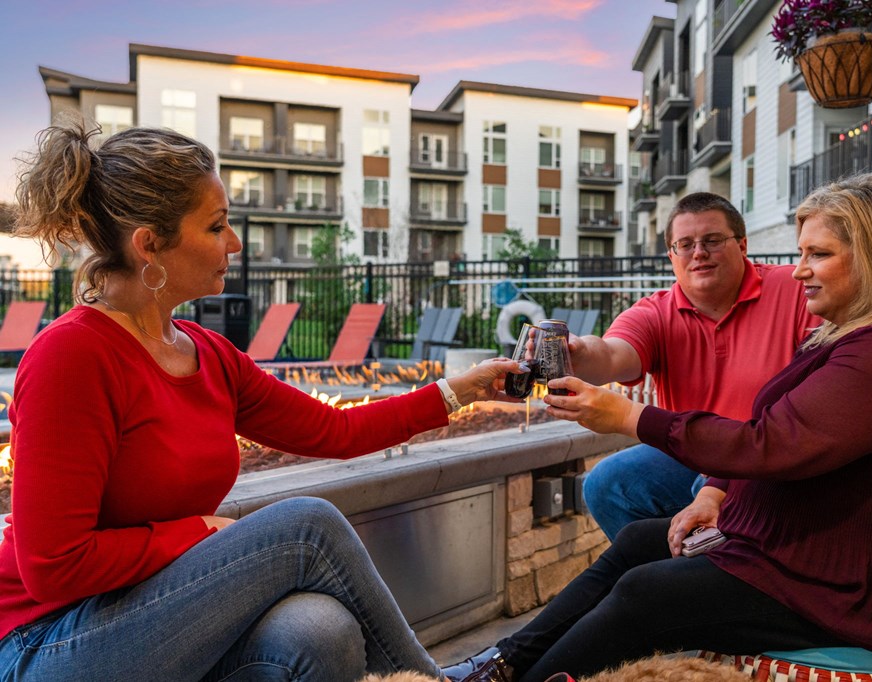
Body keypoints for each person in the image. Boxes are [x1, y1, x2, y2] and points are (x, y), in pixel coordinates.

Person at [0, 119, 525, 682]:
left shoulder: (210, 355)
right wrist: (198, 533)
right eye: (217, 226)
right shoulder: (73, 356)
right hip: (48, 640)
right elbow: (53, 567)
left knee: (322, 632)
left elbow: (334, 432)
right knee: (307, 522)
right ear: (149, 244)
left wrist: (458, 391)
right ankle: (436, 680)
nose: (235, 243)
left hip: (153, 613)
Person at [444, 175, 872, 682]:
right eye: (800, 254)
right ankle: (501, 664)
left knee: (647, 593)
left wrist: (630, 417)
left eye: (818, 255)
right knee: (638, 542)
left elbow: (774, 443)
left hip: (862, 589)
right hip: (801, 541)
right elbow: (782, 431)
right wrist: (720, 494)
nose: (800, 271)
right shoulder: (858, 336)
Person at [573, 193, 818, 539]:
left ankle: (709, 578)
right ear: (671, 255)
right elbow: (612, 355)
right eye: (684, 244)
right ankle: (668, 577)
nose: (699, 253)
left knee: (711, 491)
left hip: (770, 453)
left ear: (743, 245)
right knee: (607, 484)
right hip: (691, 453)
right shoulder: (656, 312)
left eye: (713, 240)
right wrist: (578, 351)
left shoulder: (793, 291)